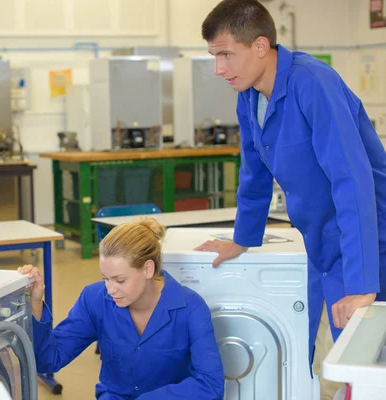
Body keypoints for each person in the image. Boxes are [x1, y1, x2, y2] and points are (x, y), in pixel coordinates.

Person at [196, 1, 386, 398]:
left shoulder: (313, 84)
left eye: (227, 54)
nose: (219, 69)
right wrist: (242, 238)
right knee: (343, 355)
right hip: (324, 241)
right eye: (214, 56)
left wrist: (364, 282)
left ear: (261, 45)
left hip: (370, 238)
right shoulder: (249, 97)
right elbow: (254, 173)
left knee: (370, 361)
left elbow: (352, 182)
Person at [20, 218, 224, 399]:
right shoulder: (95, 299)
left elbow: (210, 384)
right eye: (105, 279)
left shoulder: (191, 308)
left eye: (119, 280)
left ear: (148, 269)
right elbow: (49, 360)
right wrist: (36, 302)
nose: (110, 290)